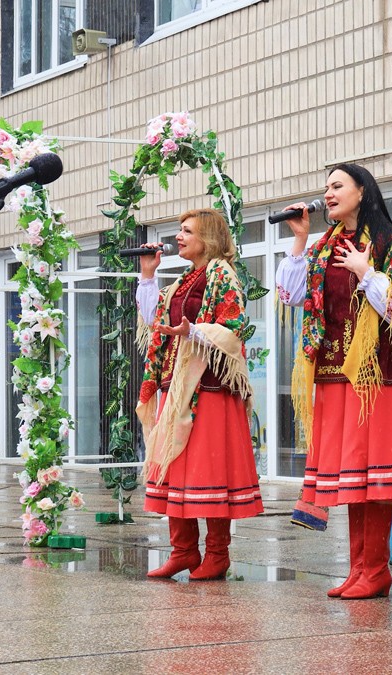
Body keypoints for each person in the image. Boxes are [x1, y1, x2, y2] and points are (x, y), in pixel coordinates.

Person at [276, 163, 392, 600]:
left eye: (337, 185)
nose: (328, 194)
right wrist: (301, 239)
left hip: (373, 375)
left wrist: (366, 271)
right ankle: (359, 568)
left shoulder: (388, 242)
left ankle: (375, 569)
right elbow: (291, 294)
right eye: (326, 187)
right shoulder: (325, 245)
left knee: (373, 475)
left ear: (362, 191)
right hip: (333, 372)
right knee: (353, 478)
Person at [135, 208, 263, 581]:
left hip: (207, 386)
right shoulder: (182, 282)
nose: (179, 236)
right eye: (179, 230)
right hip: (177, 388)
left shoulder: (221, 273)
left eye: (187, 231)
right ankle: (183, 551)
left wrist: (194, 332)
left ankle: (217, 554)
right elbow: (155, 322)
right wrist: (147, 274)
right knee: (174, 466)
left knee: (209, 471)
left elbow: (235, 325)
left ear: (207, 238)